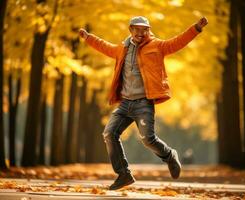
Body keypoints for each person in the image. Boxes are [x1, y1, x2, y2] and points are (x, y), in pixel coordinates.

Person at [79, 16, 208, 190]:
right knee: (109, 134)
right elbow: (104, 46)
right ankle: (124, 174)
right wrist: (88, 37)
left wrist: (196, 28)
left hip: (143, 103)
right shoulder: (122, 49)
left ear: (149, 30)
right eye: (137, 29)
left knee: (148, 139)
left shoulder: (157, 46)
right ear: (130, 30)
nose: (141, 33)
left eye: (144, 29)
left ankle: (170, 155)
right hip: (125, 103)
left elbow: (177, 42)